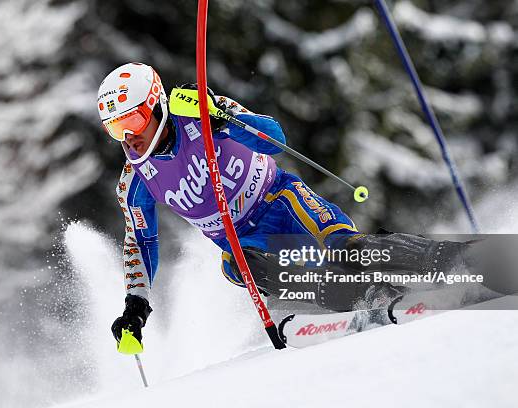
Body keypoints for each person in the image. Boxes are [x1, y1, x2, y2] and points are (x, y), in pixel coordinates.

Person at [97, 62, 468, 346]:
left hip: (279, 200)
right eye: (116, 129)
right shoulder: (135, 181)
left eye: (133, 120)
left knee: (345, 250)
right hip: (244, 243)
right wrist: (136, 304)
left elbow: (274, 139)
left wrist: (221, 117)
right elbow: (140, 242)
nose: (129, 138)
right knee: (237, 266)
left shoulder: (195, 109)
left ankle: (454, 259)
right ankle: (363, 296)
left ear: (156, 105)